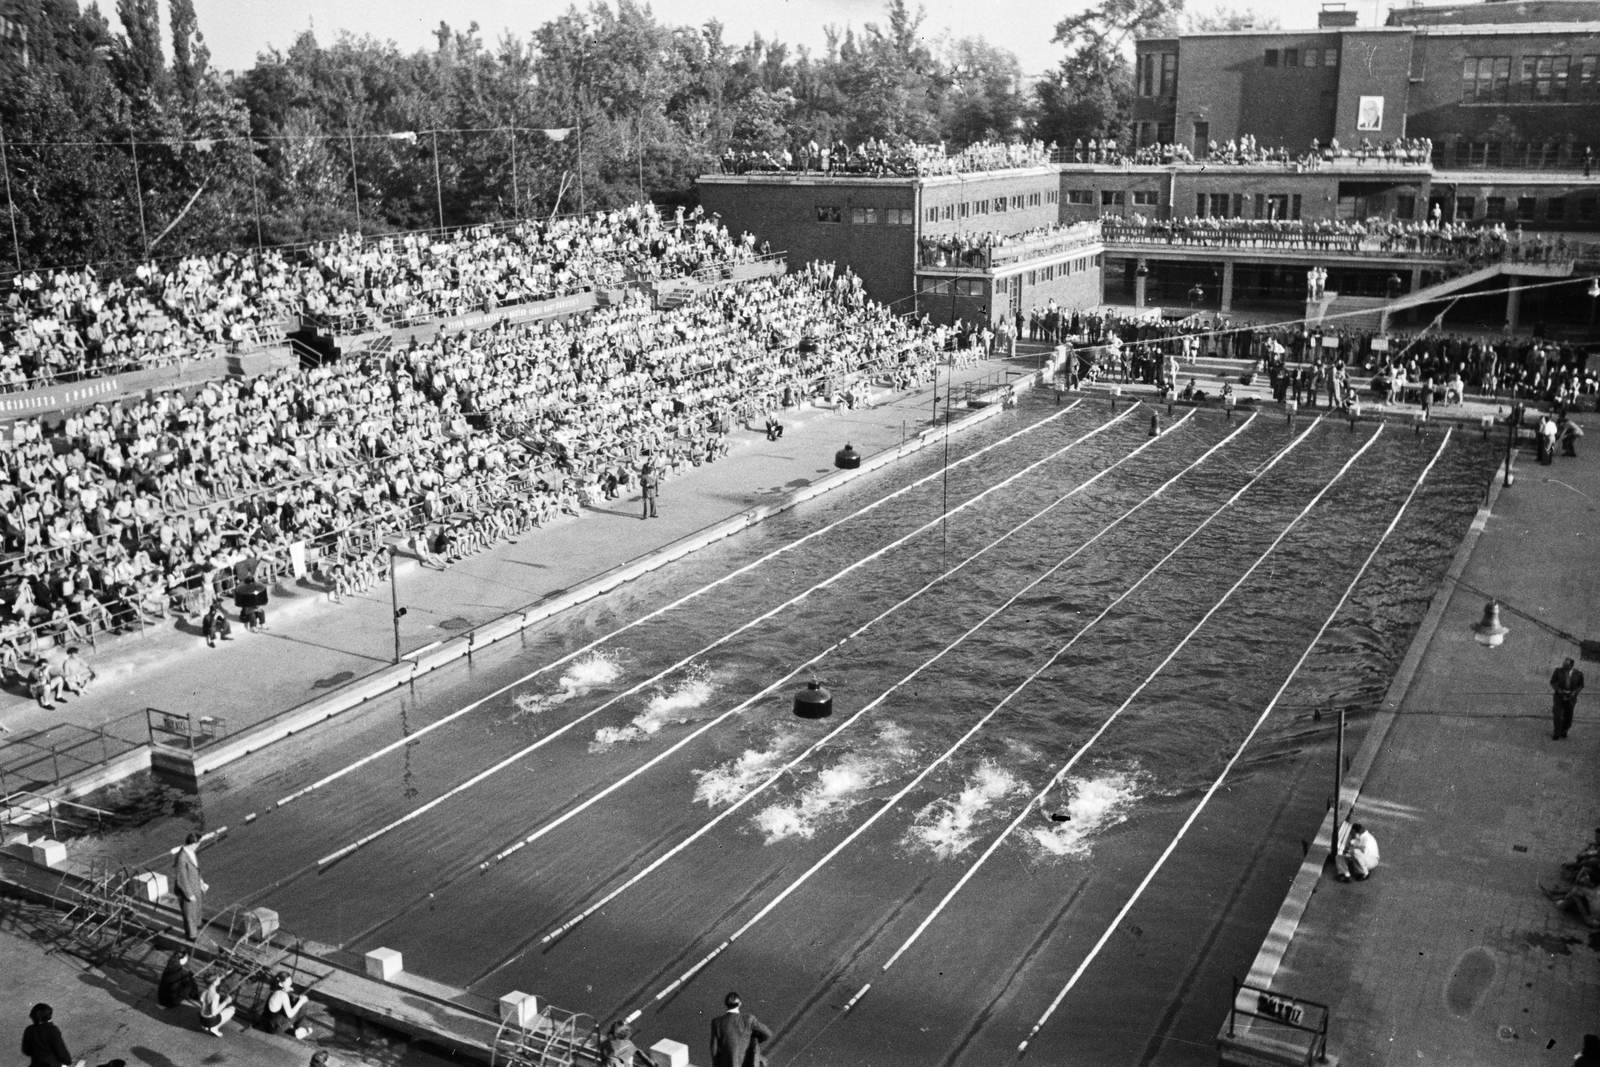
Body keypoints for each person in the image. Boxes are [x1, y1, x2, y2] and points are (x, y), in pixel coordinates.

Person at [709, 991, 771, 1067]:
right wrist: (754, 1038)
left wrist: (716, 1064)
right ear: (740, 1004)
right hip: (746, 1063)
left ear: (726, 1004)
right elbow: (767, 1034)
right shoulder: (748, 1019)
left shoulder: (717, 1022)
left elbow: (714, 1048)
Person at [173, 831, 208, 941]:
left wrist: (200, 881)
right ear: (193, 843)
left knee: (197, 907)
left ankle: (197, 924)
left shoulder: (191, 852)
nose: (199, 846)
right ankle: (191, 935)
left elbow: (195, 868)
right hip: (187, 888)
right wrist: (189, 894)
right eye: (198, 844)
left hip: (195, 884)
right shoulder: (182, 858)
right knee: (189, 912)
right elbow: (181, 878)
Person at [260, 973, 311, 1039]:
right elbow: (290, 1014)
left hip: (266, 1023)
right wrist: (301, 1002)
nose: (291, 984)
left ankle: (293, 1031)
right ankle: (299, 1027)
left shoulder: (275, 990)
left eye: (291, 981)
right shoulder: (283, 995)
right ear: (281, 984)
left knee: (294, 1000)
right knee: (303, 1003)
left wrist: (288, 991)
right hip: (274, 1028)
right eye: (288, 982)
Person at [1551, 656, 1585, 740]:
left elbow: (1581, 685)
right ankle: (1556, 732)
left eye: (1566, 665)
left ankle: (1564, 731)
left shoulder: (1578, 674)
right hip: (1559, 696)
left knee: (1568, 716)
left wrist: (1575, 692)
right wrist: (1558, 689)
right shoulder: (1558, 671)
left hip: (1571, 698)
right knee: (1557, 715)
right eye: (1564, 664)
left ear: (1571, 666)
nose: (1564, 667)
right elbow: (1552, 682)